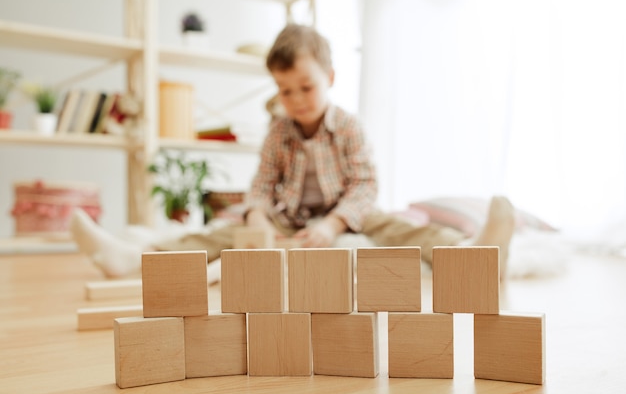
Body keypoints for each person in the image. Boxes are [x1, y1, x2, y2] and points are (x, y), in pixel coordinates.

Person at [71, 23, 515, 280]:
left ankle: (475, 256)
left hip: (347, 212)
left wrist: (335, 223)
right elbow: (262, 184)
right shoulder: (278, 131)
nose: (297, 99)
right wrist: (259, 217)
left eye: (307, 87)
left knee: (398, 228)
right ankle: (132, 260)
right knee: (220, 237)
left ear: (331, 78)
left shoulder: (348, 126)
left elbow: (365, 185)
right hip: (291, 217)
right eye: (286, 90)